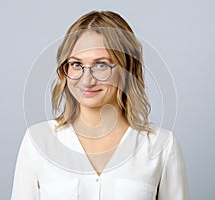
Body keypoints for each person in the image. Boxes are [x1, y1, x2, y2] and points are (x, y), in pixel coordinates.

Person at [11, 10, 189, 200]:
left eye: (101, 65)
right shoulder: (38, 141)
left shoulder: (162, 146)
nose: (86, 80)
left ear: (127, 68)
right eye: (76, 64)